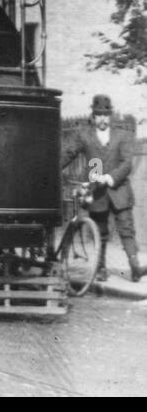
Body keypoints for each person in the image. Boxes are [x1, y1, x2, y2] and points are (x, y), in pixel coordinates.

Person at [62, 94, 141, 283]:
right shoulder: (84, 135)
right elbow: (69, 154)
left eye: (106, 115)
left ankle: (135, 267)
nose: (103, 119)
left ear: (110, 115)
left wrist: (111, 177)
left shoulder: (122, 135)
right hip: (97, 192)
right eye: (99, 115)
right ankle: (100, 268)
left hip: (119, 190)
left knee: (126, 229)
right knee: (101, 231)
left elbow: (127, 163)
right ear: (93, 116)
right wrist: (51, 169)